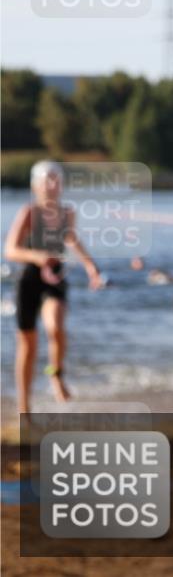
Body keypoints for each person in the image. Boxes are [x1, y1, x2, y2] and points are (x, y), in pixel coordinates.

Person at [3, 161, 103, 414]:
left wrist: (91, 266)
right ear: (35, 186)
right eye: (46, 180)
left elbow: (72, 239)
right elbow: (10, 250)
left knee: (55, 326)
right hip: (29, 278)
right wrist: (38, 257)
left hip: (55, 278)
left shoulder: (67, 212)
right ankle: (25, 408)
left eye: (55, 179)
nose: (51, 185)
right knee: (27, 343)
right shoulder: (28, 212)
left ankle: (56, 374)